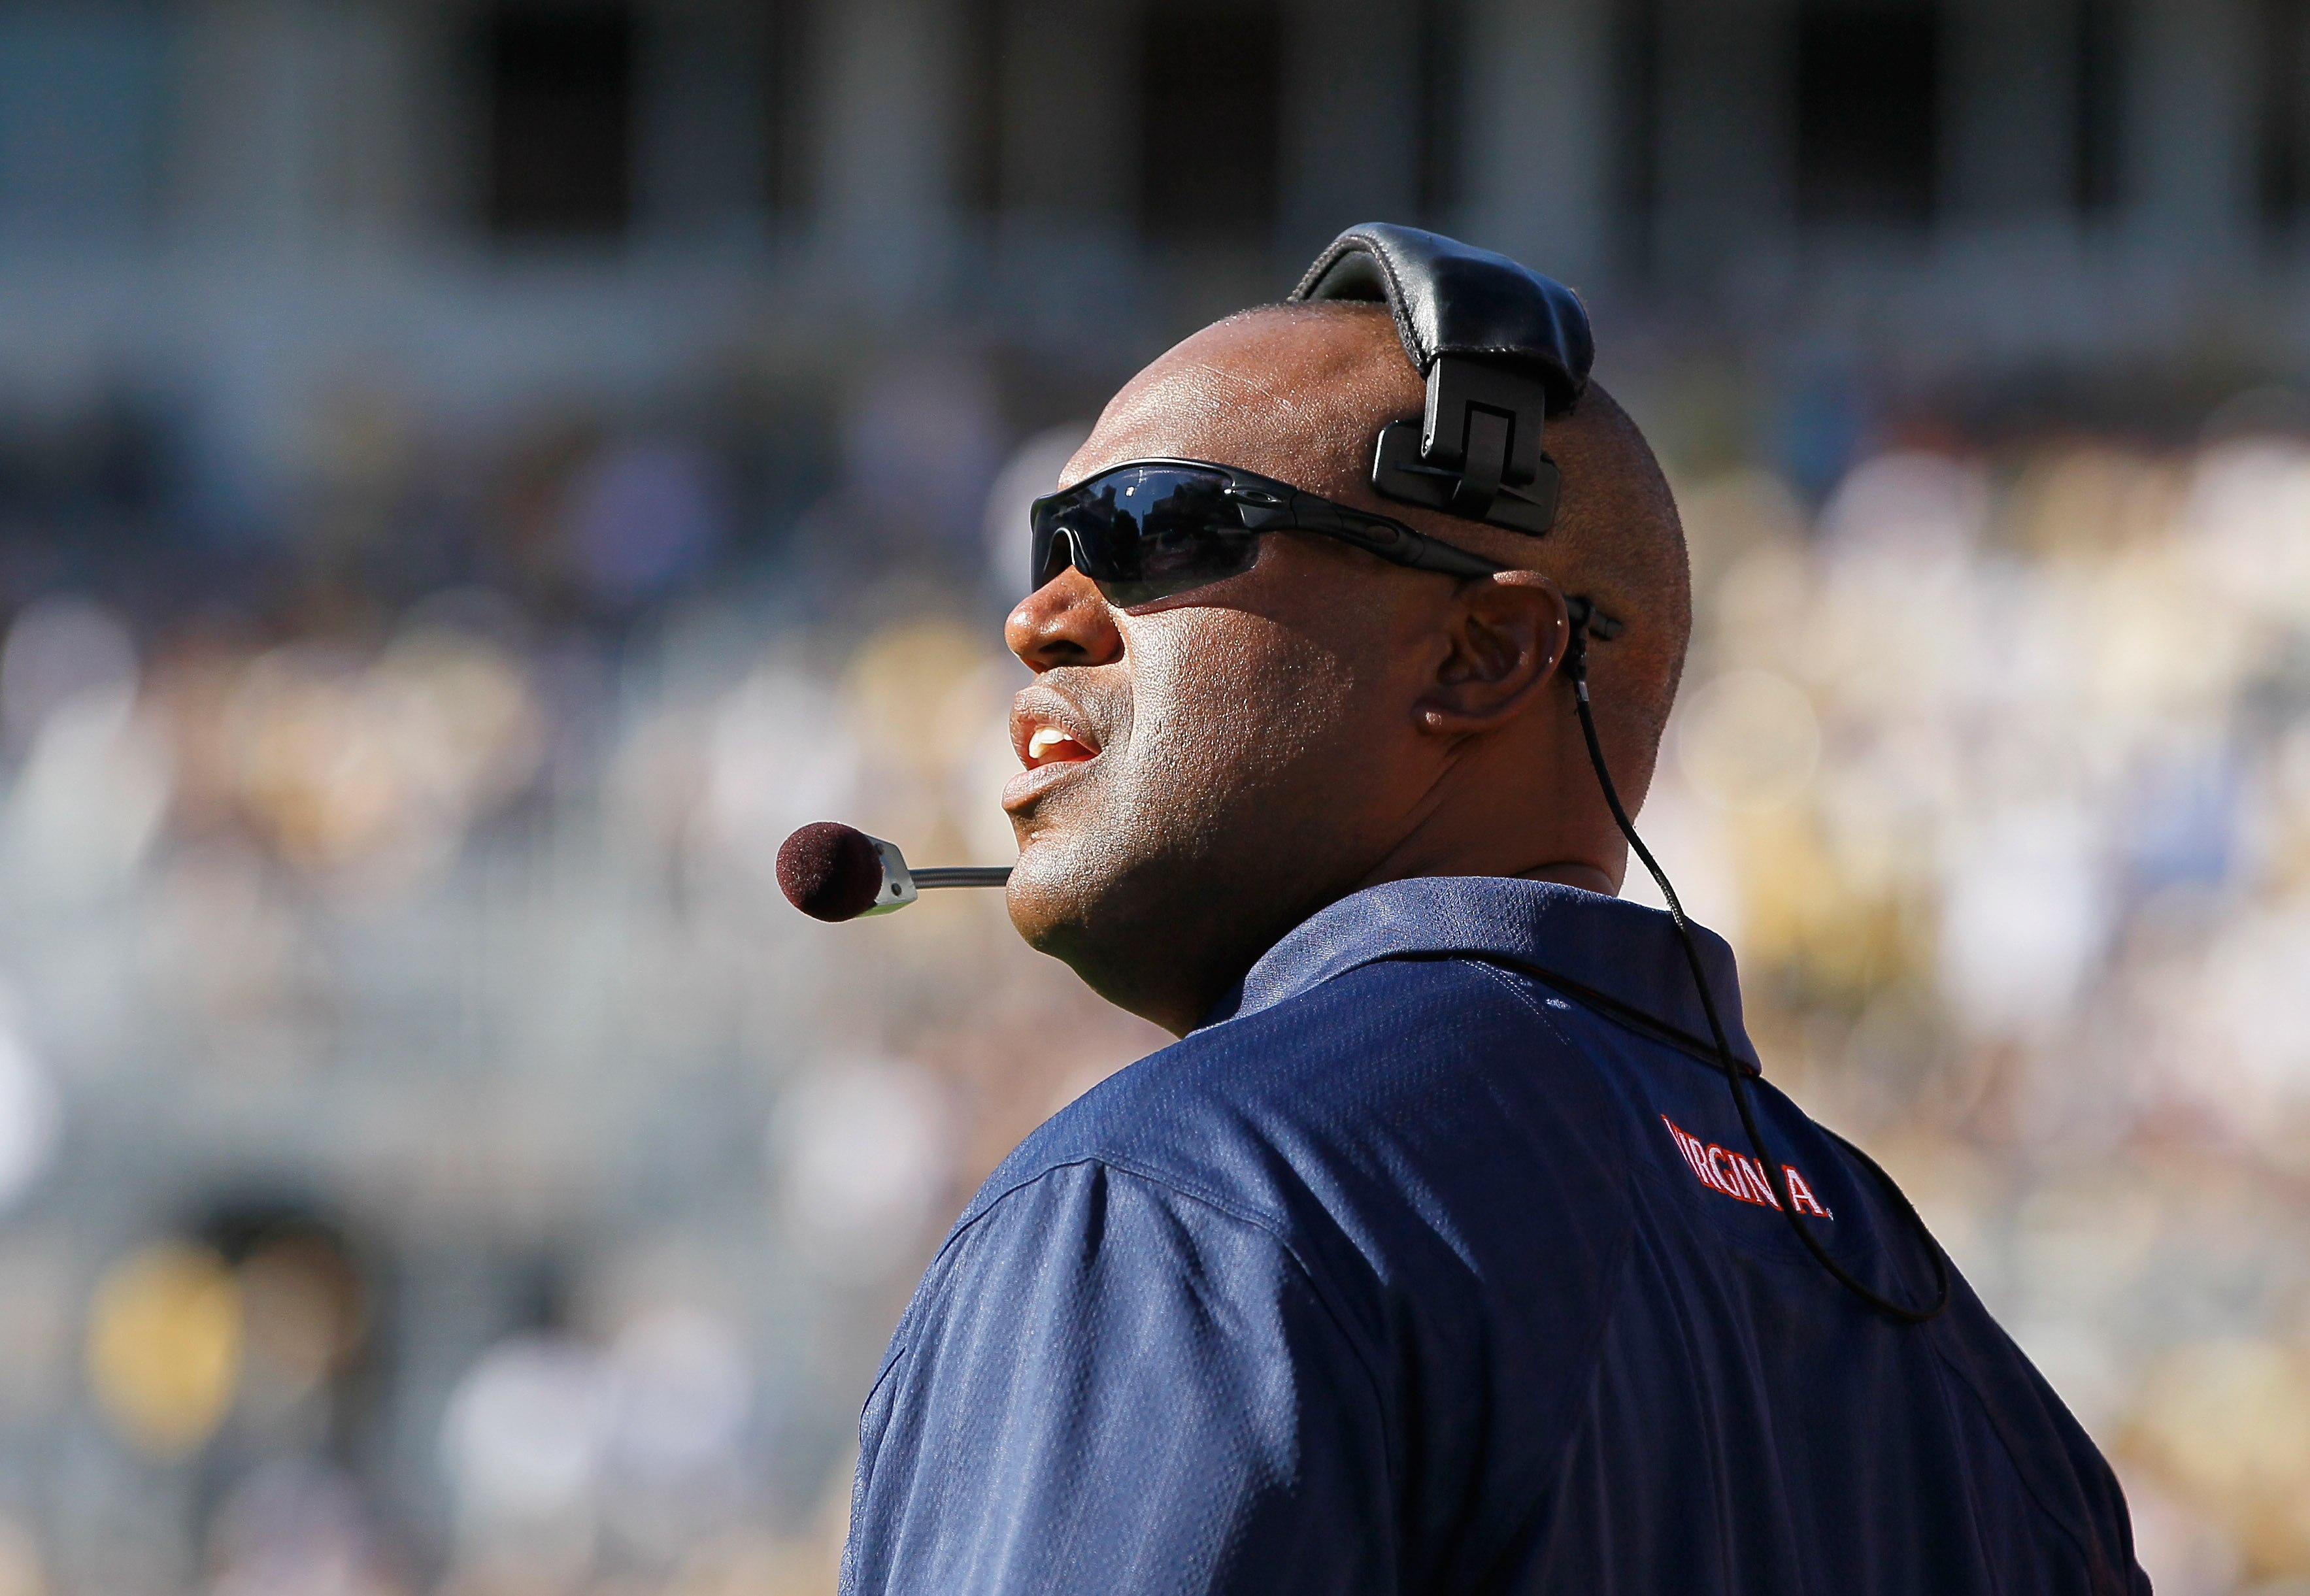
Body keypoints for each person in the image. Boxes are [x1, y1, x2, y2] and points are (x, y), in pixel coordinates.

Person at [839, 231, 2148, 1595]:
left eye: (1154, 526)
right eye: (1048, 545)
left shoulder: (1189, 1198)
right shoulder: (1960, 1363)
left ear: (1483, 656)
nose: (1041, 618)